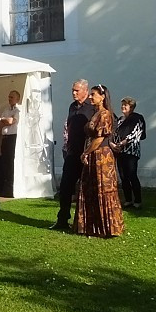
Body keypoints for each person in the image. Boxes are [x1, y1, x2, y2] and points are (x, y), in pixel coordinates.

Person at [75, 85, 124, 238]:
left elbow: (99, 138)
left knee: (103, 189)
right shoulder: (96, 114)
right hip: (94, 154)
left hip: (102, 156)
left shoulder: (105, 115)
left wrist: (85, 152)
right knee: (91, 188)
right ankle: (92, 225)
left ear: (102, 97)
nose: (90, 97)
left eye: (93, 94)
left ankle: (108, 227)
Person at [49, 80, 92, 232]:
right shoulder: (72, 107)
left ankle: (86, 222)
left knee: (88, 188)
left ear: (85, 90)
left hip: (87, 153)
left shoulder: (93, 107)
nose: (73, 93)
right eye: (72, 90)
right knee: (66, 187)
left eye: (77, 90)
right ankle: (62, 219)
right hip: (72, 153)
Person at [111, 96, 147, 209]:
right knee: (123, 176)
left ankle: (138, 200)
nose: (123, 107)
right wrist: (114, 144)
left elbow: (135, 133)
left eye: (125, 105)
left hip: (131, 152)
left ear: (131, 107)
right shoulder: (120, 120)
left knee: (132, 175)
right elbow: (114, 133)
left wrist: (122, 143)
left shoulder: (137, 118)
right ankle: (128, 199)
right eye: (122, 105)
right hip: (120, 152)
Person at [0, 90, 21, 197]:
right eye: (9, 97)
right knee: (4, 163)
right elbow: (0, 122)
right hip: (5, 138)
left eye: (12, 97)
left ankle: (11, 188)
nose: (10, 99)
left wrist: (4, 120)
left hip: (13, 138)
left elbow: (11, 121)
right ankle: (4, 188)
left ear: (17, 99)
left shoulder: (19, 110)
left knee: (11, 163)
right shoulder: (6, 109)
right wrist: (5, 120)